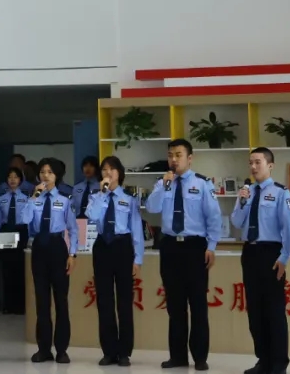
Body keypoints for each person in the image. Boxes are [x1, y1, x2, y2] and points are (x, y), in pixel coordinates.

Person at [145, 139, 222, 371]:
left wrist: (211, 246)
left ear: (190, 158)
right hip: (170, 247)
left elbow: (214, 217)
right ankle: (177, 356)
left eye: (178, 155)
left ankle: (200, 357)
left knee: (198, 305)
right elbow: (151, 208)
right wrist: (163, 185)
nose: (174, 159)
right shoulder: (163, 182)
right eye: (170, 155)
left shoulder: (203, 184)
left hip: (195, 247)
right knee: (175, 306)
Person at [230, 148, 290, 374]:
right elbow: (236, 222)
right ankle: (263, 361)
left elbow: (288, 228)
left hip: (271, 253)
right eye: (251, 162)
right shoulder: (246, 191)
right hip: (250, 252)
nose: (253, 167)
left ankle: (278, 364)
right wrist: (242, 202)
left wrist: (284, 257)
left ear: (270, 165)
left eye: (258, 162)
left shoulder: (280, 193)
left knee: (274, 311)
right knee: (255, 311)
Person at [86, 155, 144, 367]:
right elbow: (92, 216)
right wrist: (102, 194)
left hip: (122, 247)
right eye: (104, 169)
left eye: (112, 169)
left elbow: (136, 229)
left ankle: (124, 352)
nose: (108, 173)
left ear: (120, 173)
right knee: (104, 301)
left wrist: (138, 259)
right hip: (103, 246)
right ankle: (109, 351)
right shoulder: (96, 196)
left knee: (124, 302)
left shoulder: (129, 198)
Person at [29, 158, 79, 364]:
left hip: (58, 248)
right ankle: (43, 349)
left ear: (57, 176)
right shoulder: (34, 198)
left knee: (61, 301)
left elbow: (73, 230)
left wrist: (72, 254)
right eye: (42, 172)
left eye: (50, 172)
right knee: (42, 302)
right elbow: (24, 219)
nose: (45, 176)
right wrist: (33, 198)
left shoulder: (65, 200)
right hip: (39, 248)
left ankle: (61, 349)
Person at [0, 165, 32, 314]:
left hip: (21, 233)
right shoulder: (0, 200)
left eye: (16, 177)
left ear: (20, 180)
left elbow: (30, 221)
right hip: (6, 231)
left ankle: (20, 306)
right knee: (7, 270)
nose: (13, 180)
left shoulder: (27, 199)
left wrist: (30, 240)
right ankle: (8, 305)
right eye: (10, 177)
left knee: (20, 269)